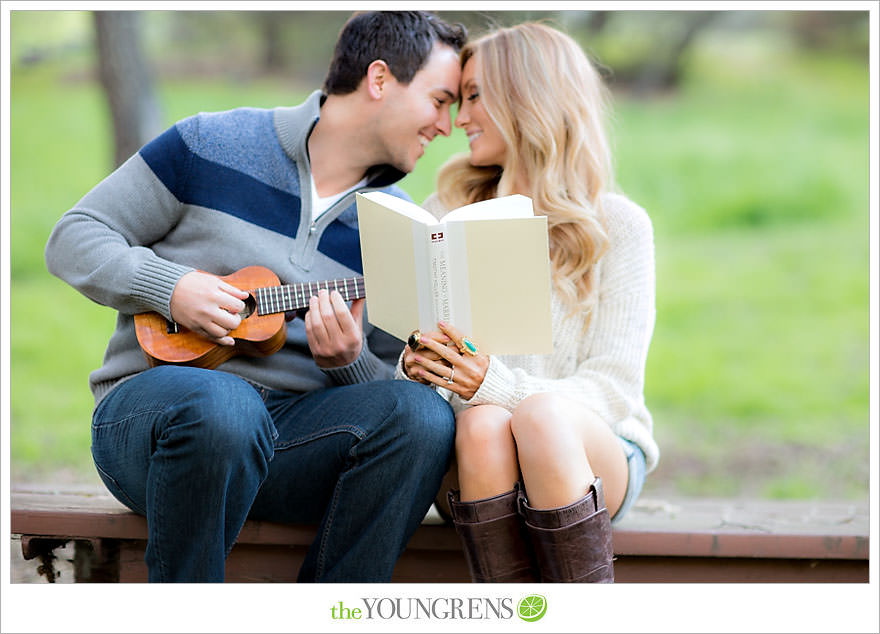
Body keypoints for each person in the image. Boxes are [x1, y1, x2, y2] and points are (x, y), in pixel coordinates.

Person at [44, 11, 467, 583]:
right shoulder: (209, 143)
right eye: (439, 100)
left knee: (423, 416)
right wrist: (171, 289)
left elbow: (394, 394)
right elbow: (74, 236)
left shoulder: (397, 226)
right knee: (225, 406)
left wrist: (349, 363)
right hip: (153, 429)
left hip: (295, 447)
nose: (447, 125)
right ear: (380, 79)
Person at [399, 22, 658, 583]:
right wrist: (417, 364)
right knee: (484, 425)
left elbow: (612, 391)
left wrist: (497, 384)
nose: (459, 118)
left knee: (535, 416)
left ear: (527, 97)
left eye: (474, 96)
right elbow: (425, 369)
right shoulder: (443, 217)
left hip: (592, 452)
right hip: (473, 454)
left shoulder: (618, 226)